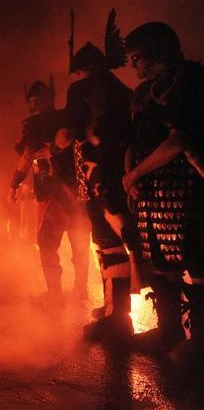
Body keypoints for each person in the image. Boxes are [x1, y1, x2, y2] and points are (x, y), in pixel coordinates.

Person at [47, 41, 141, 343]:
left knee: (107, 242)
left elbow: (68, 133)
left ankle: (118, 317)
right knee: (114, 240)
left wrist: (56, 144)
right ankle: (114, 307)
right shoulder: (124, 89)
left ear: (83, 69)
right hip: (122, 173)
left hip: (97, 174)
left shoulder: (81, 90)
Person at [122, 22, 204, 354]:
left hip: (187, 186)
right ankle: (168, 330)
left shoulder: (190, 81)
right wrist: (132, 177)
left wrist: (137, 173)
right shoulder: (145, 93)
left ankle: (199, 340)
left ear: (156, 52)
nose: (134, 65)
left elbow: (179, 140)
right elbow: (136, 141)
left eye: (137, 56)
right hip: (153, 191)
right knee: (159, 260)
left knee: (196, 262)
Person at [8, 79, 90, 303]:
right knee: (78, 239)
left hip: (56, 192)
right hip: (76, 190)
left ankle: (56, 294)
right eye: (32, 100)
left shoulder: (36, 123)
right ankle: (79, 289)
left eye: (39, 99)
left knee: (49, 241)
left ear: (49, 98)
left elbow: (27, 156)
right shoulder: (64, 118)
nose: (35, 104)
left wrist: (13, 184)